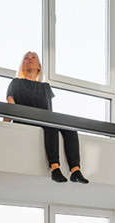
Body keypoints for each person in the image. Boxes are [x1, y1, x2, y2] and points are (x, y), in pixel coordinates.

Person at [6, 51, 88, 184]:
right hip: (25, 119)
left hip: (44, 120)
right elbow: (10, 104)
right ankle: (55, 168)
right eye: (26, 58)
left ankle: (75, 170)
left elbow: (49, 110)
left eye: (33, 57)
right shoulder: (16, 83)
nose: (30, 59)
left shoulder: (45, 87)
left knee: (70, 127)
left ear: (39, 66)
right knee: (50, 125)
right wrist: (4, 126)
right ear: (22, 65)